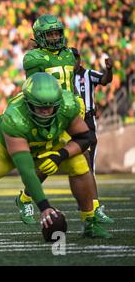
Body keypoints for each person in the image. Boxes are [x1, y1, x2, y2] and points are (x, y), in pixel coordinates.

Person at [0, 73, 112, 244]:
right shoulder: (15, 116)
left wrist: (59, 156)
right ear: (28, 102)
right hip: (3, 144)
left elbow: (84, 137)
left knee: (79, 165)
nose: (46, 112)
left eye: (50, 107)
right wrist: (44, 207)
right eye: (40, 107)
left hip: (45, 142)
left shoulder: (67, 105)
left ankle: (90, 222)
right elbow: (26, 171)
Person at [16, 14, 113, 224]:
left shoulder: (69, 55)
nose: (54, 37)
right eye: (49, 34)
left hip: (71, 113)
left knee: (83, 162)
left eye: (56, 33)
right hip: (50, 114)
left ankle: (93, 211)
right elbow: (33, 87)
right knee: (50, 162)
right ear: (39, 37)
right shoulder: (34, 58)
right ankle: (25, 197)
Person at [72, 47, 114, 223]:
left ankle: (94, 206)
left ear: (79, 59)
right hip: (69, 123)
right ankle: (27, 197)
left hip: (86, 121)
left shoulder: (88, 74)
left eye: (74, 59)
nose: (72, 62)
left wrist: (109, 70)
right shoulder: (65, 78)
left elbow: (104, 80)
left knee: (88, 165)